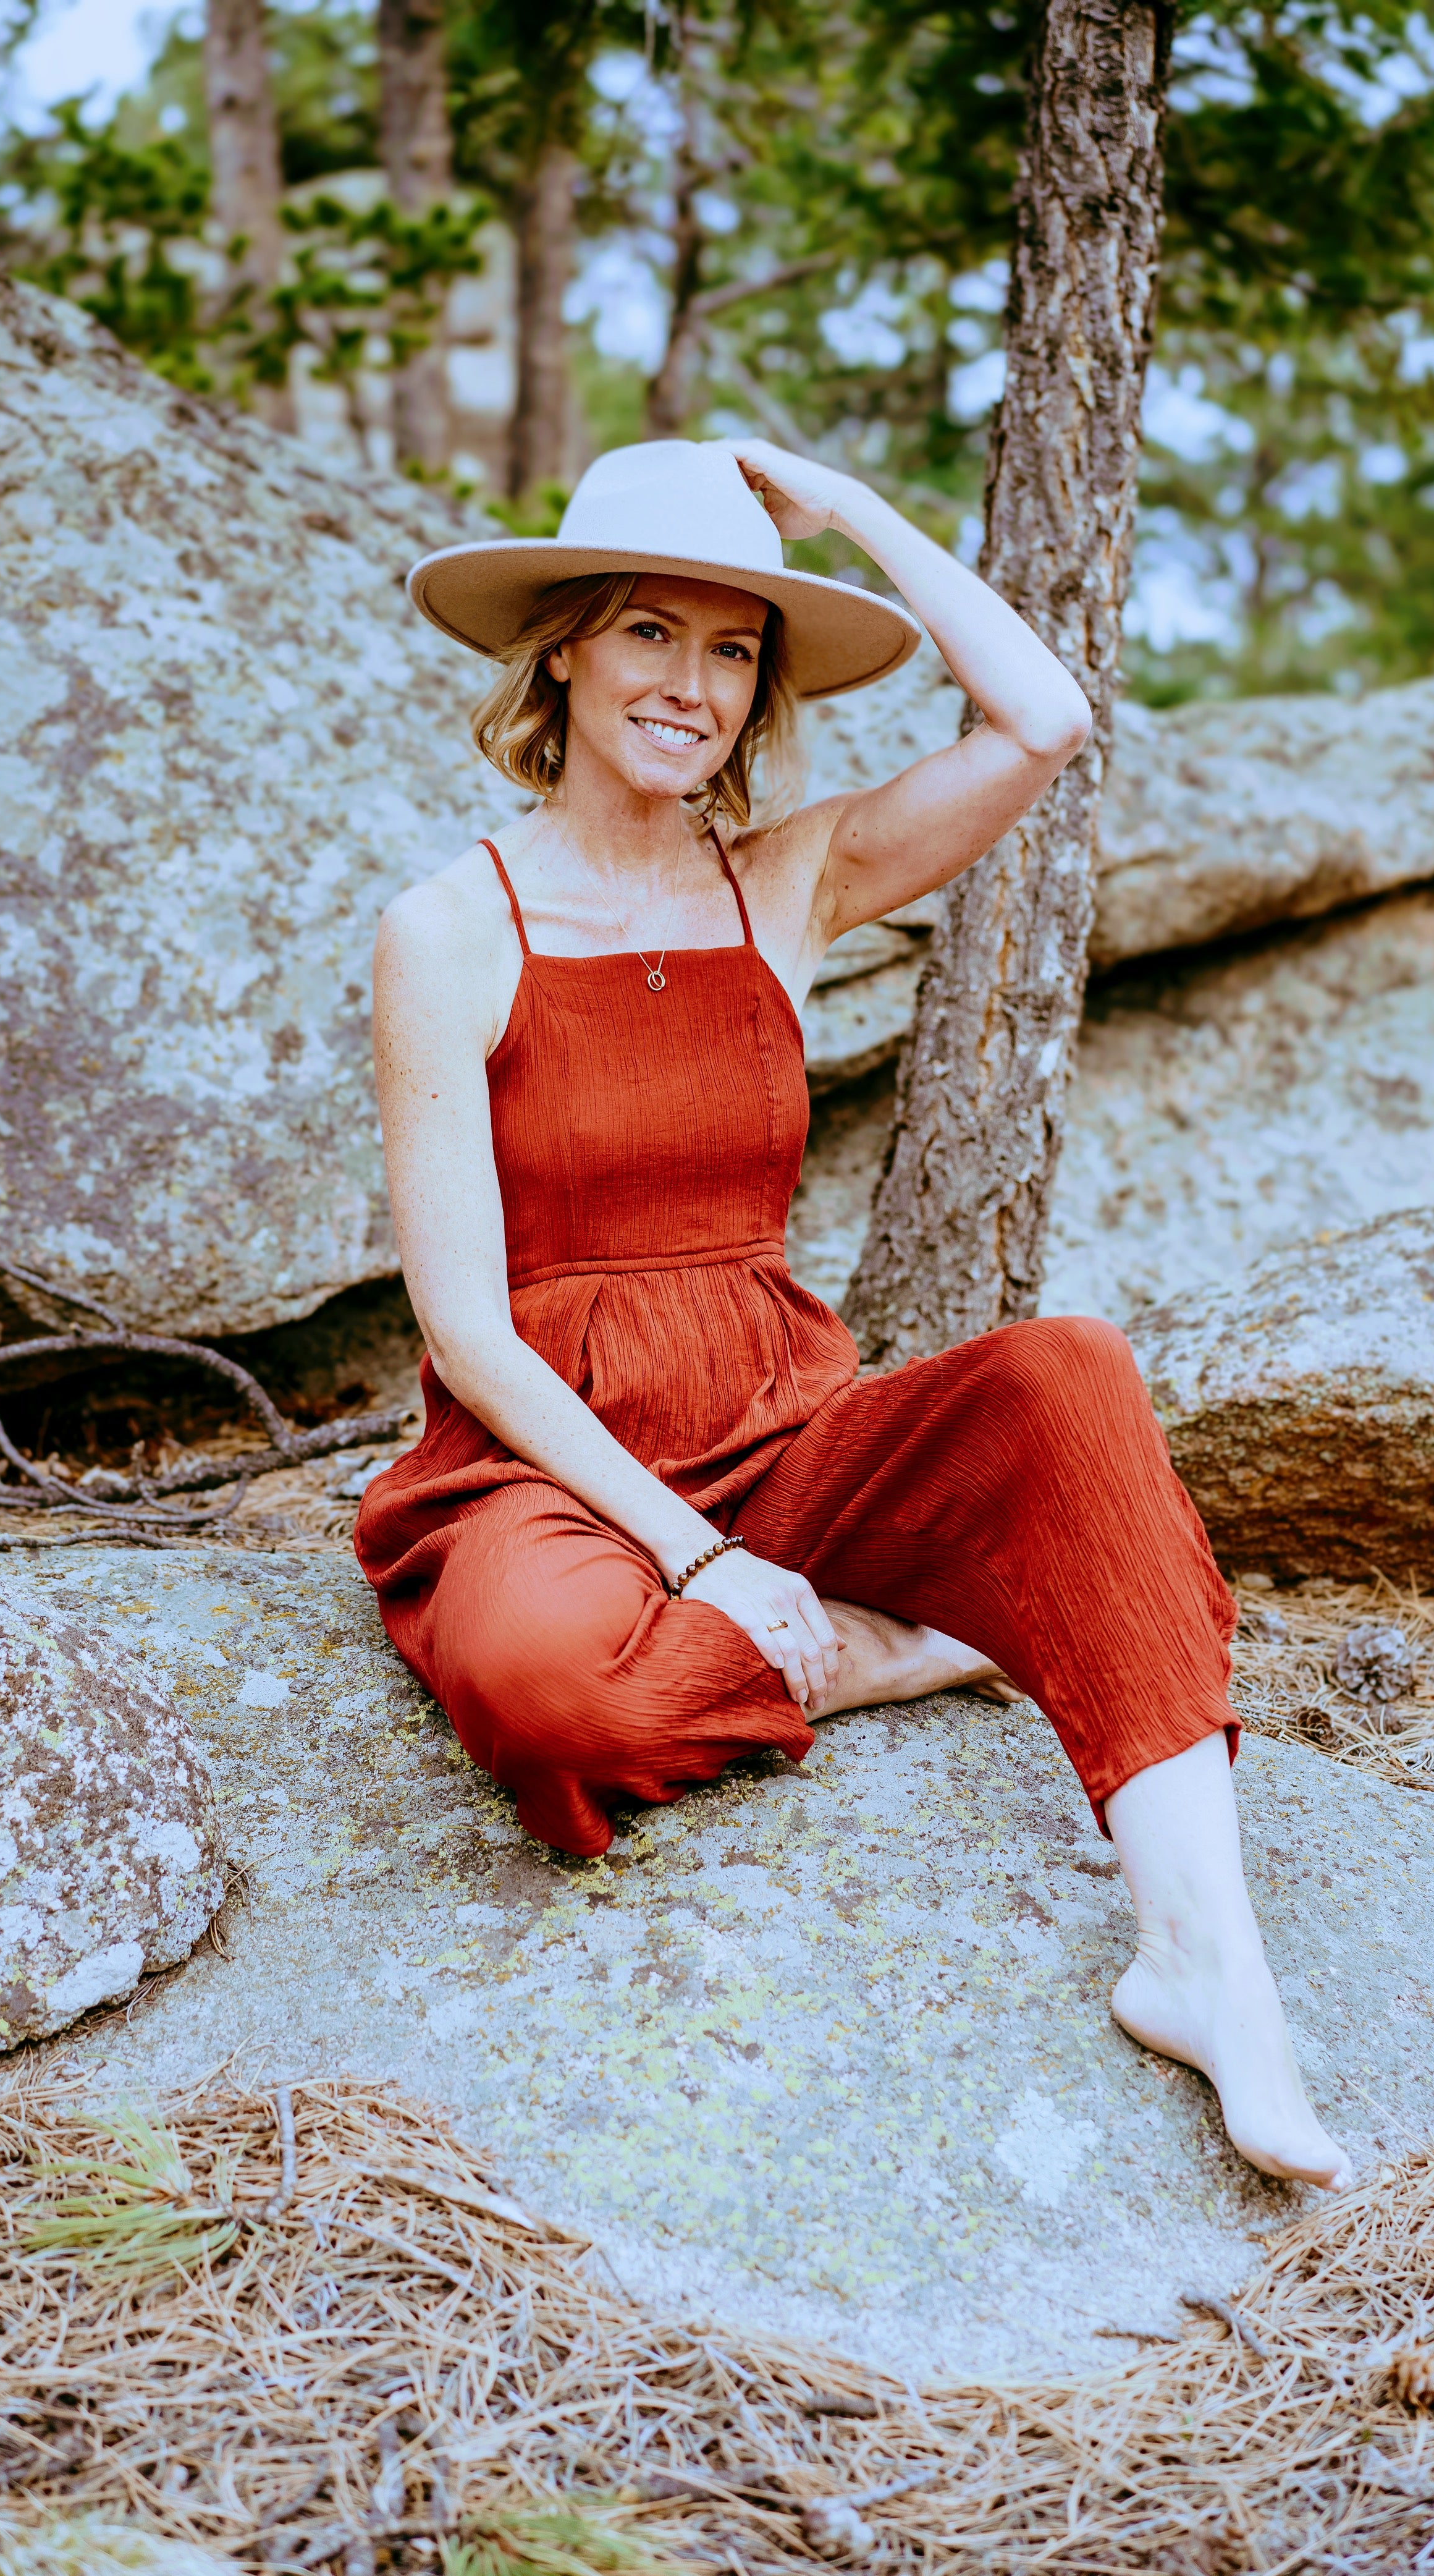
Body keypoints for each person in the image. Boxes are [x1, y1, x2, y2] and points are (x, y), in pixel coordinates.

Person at [357, 436, 1351, 2193]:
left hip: (781, 1418)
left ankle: (1209, 1968)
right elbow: (469, 1335)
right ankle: (941, 1640)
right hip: (554, 1462)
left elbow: (1040, 720)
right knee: (546, 1701)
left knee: (1064, 1374)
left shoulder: (783, 880)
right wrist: (702, 1560)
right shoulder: (451, 924)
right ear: (565, 648)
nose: (691, 685)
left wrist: (849, 509)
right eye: (651, 634)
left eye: (736, 649)